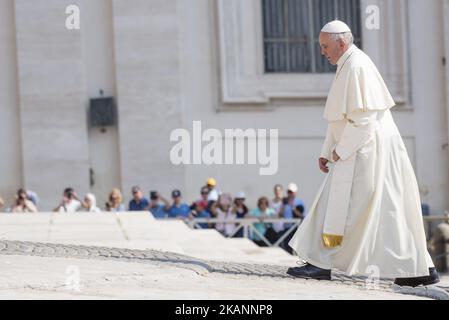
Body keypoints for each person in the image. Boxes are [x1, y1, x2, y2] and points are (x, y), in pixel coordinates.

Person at [287, 20, 439, 287]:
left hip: (365, 149)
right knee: (391, 209)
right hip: (365, 147)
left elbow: (364, 120)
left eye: (325, 46)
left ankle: (320, 263)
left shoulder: (356, 65)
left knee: (339, 205)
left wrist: (338, 151)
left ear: (341, 44)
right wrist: (327, 150)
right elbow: (340, 118)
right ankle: (418, 268)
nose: (322, 51)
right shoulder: (347, 63)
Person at [280, 183, 305, 253]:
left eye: (291, 192)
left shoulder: (300, 202)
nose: (290, 194)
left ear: (295, 193)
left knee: (296, 249)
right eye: (288, 192)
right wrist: (283, 205)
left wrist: (292, 206)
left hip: (296, 228)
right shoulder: (284, 202)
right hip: (286, 228)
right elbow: (280, 215)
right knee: (286, 248)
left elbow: (301, 215)